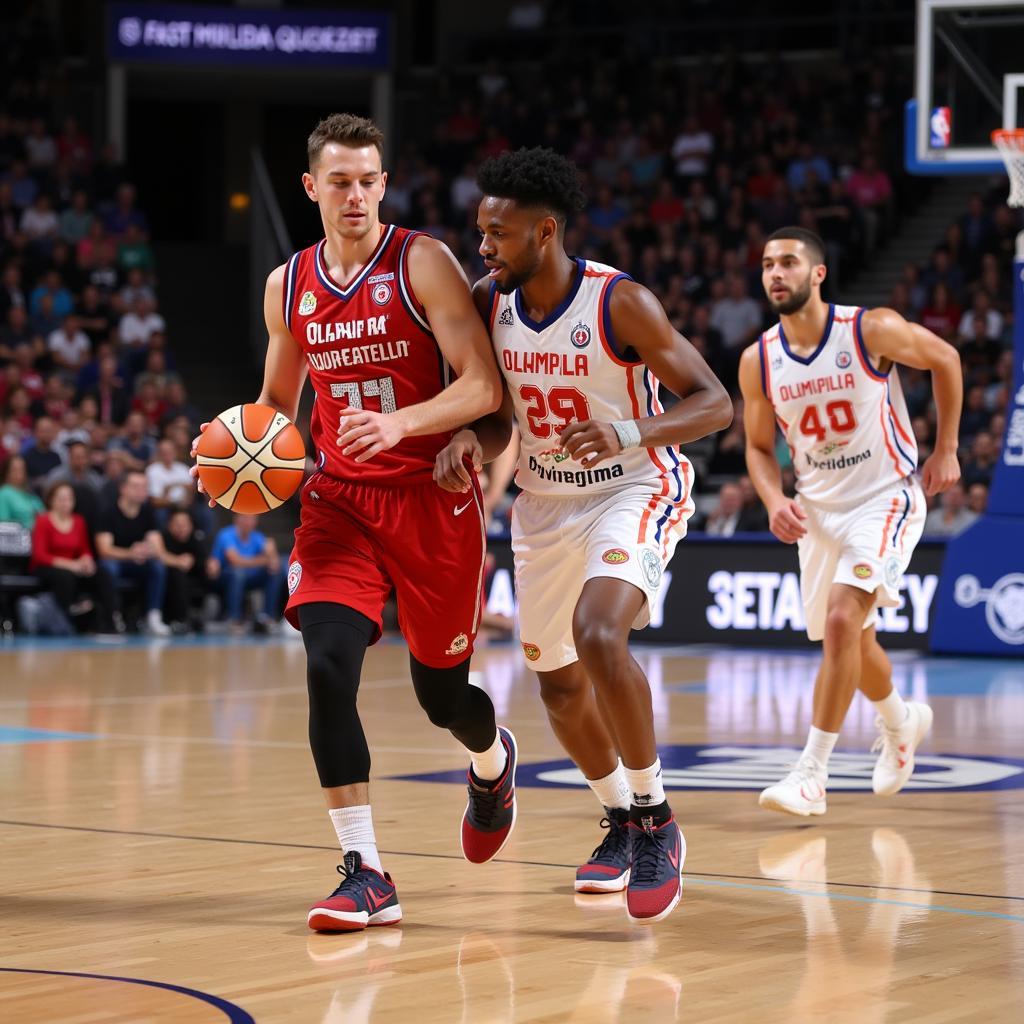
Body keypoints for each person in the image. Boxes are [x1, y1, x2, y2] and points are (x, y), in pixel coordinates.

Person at [190, 113, 509, 934]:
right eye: (341, 181)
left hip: (433, 501)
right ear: (311, 188)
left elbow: (482, 387)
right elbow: (275, 411)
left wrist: (406, 424)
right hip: (339, 504)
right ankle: (366, 871)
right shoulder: (287, 285)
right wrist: (236, 456)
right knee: (328, 664)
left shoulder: (423, 263)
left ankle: (490, 760)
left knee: (444, 698)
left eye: (370, 179)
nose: (358, 194)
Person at [434, 147, 732, 924]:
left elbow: (714, 404)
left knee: (601, 635)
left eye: (497, 233)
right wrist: (474, 440)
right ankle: (621, 820)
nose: (485, 246)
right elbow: (501, 420)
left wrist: (631, 430)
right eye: (481, 231)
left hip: (636, 486)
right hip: (543, 506)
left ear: (546, 230)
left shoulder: (620, 303)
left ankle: (659, 820)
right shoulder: (488, 301)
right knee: (557, 683)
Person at [738, 226, 962, 817]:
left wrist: (946, 449)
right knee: (854, 640)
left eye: (788, 262)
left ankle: (811, 774)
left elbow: (945, 358)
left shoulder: (869, 329)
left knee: (842, 621)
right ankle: (901, 721)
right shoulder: (758, 360)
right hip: (816, 510)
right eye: (767, 265)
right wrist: (771, 499)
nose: (775, 273)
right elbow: (759, 449)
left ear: (817, 274)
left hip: (884, 495)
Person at [95, 469, 171, 635]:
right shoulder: (108, 512)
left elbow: (157, 547)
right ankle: (113, 616)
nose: (141, 491)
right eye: (136, 486)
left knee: (157, 567)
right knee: (108, 568)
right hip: (117, 561)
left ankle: (153, 616)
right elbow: (104, 550)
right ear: (123, 488)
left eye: (145, 487)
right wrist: (131, 553)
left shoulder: (148, 512)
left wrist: (146, 550)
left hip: (138, 561)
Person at [31, 481, 115, 630]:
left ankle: (109, 621)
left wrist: (87, 560)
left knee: (102, 574)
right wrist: (71, 565)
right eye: (61, 499)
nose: (66, 503)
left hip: (73, 567)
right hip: (48, 567)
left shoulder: (78, 521)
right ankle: (67, 620)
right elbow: (40, 555)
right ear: (51, 500)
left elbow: (84, 549)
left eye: (69, 498)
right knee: (65, 577)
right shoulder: (43, 520)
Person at [207, 513, 285, 634]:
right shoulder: (226, 534)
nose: (249, 522)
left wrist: (272, 552)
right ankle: (234, 620)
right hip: (225, 577)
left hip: (249, 577)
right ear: (237, 519)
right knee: (238, 573)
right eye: (245, 518)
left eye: (252, 519)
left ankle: (268, 618)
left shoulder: (257, 536)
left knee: (275, 572)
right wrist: (263, 560)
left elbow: (274, 564)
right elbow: (235, 561)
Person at [0, 454, 43, 528]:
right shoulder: (3, 494)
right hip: (20, 537)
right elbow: (4, 526)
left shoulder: (30, 493)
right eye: (14, 469)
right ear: (6, 472)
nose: (19, 472)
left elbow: (44, 515)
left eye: (21, 469)